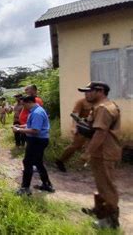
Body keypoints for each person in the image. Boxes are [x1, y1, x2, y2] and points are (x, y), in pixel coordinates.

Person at [77, 82, 121, 229]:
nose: (86, 95)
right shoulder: (101, 107)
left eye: (89, 91)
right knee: (101, 185)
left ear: (100, 91)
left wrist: (87, 152)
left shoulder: (103, 108)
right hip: (102, 152)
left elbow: (101, 133)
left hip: (104, 152)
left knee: (107, 187)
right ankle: (100, 211)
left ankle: (110, 221)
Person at [13, 96, 54, 196]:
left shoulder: (37, 113)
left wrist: (18, 130)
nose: (23, 107)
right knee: (38, 162)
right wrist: (20, 126)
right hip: (39, 140)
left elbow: (35, 130)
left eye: (24, 104)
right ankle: (47, 184)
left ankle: (25, 188)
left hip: (37, 140)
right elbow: (30, 125)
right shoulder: (36, 110)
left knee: (27, 162)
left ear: (29, 102)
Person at [55, 98, 93, 172]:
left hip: (95, 127)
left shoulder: (100, 102)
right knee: (75, 146)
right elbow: (75, 115)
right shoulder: (81, 102)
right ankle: (61, 161)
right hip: (83, 127)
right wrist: (74, 126)